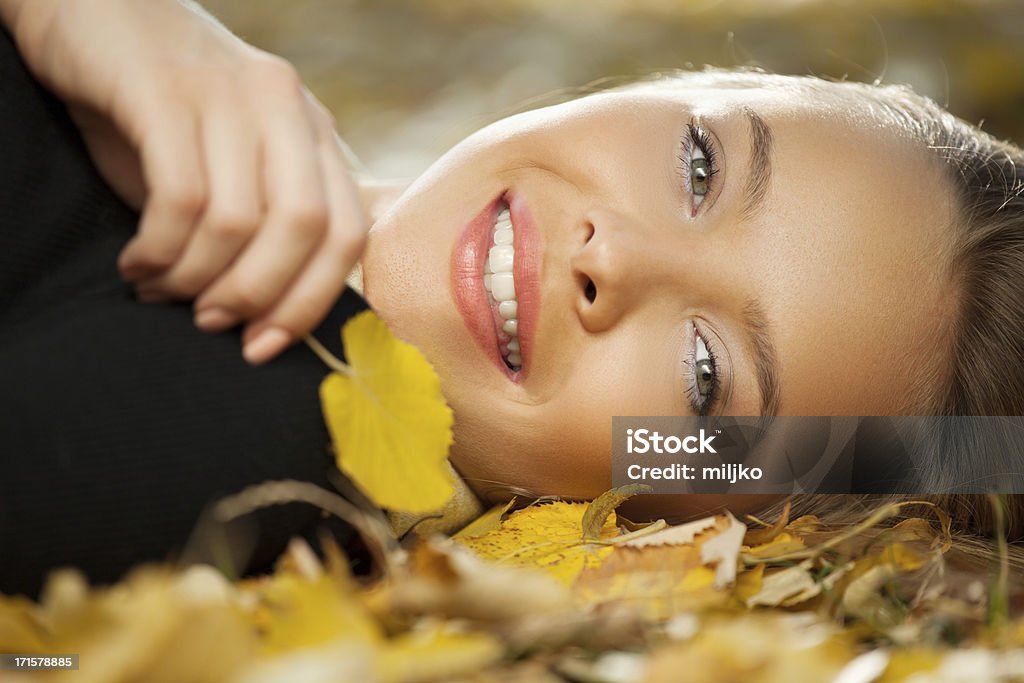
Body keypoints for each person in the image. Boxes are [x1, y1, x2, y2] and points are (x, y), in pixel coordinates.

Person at [1, 0, 1022, 597]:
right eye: (700, 164)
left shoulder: (237, 442)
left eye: (707, 376)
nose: (609, 255)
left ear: (701, 522)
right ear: (684, 73)